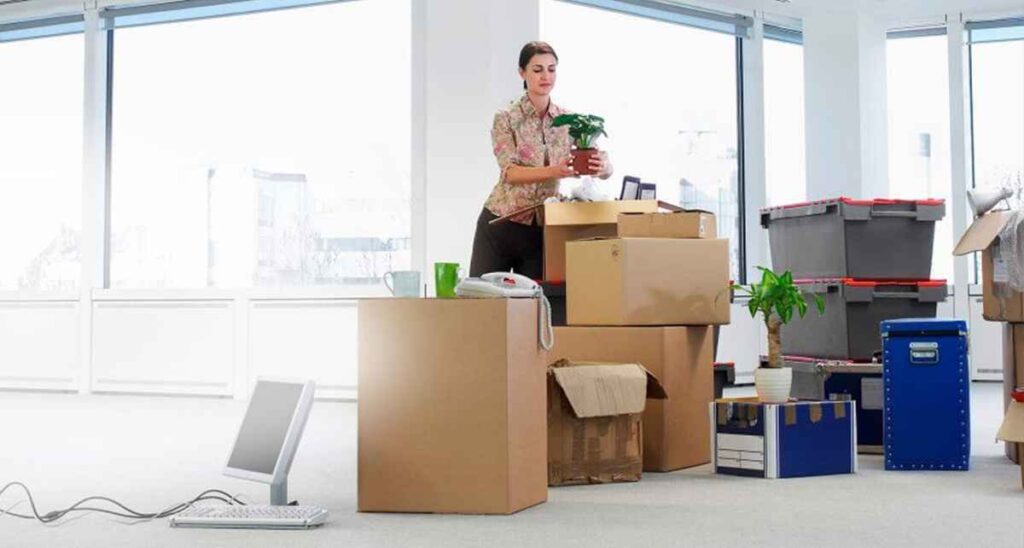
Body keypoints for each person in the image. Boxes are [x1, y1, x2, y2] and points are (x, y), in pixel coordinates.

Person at [469, 41, 613, 280]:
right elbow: (510, 172)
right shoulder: (506, 117)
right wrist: (555, 170)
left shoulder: (568, 120)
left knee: (537, 300)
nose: (546, 76)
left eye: (551, 69)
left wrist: (603, 167)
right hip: (501, 222)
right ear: (522, 73)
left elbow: (599, 163)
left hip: (543, 228)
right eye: (537, 70)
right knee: (485, 298)